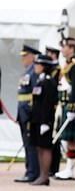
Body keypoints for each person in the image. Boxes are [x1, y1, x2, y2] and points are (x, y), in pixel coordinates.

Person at [54, 37, 75, 180]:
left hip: (71, 106)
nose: (62, 49)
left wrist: (72, 108)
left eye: (64, 47)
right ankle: (69, 168)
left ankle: (70, 168)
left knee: (71, 140)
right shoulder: (66, 65)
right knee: (66, 139)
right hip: (63, 104)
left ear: (72, 49)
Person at [29, 54, 59, 186]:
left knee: (45, 148)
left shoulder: (49, 82)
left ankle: (45, 176)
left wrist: (45, 122)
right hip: (36, 119)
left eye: (38, 64)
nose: (35, 67)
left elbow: (48, 104)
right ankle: (41, 174)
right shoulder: (40, 80)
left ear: (44, 67)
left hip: (44, 121)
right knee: (39, 147)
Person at [14, 44, 41, 183]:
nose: (22, 59)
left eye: (25, 56)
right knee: (27, 143)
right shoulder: (27, 71)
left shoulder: (34, 72)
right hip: (23, 111)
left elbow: (35, 94)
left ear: (32, 57)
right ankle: (29, 169)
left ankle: (32, 172)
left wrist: (32, 112)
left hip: (29, 112)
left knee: (31, 143)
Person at [45, 46, 63, 176]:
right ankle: (50, 166)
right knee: (50, 138)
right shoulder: (50, 69)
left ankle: (54, 166)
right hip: (49, 107)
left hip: (56, 107)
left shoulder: (58, 70)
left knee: (55, 138)